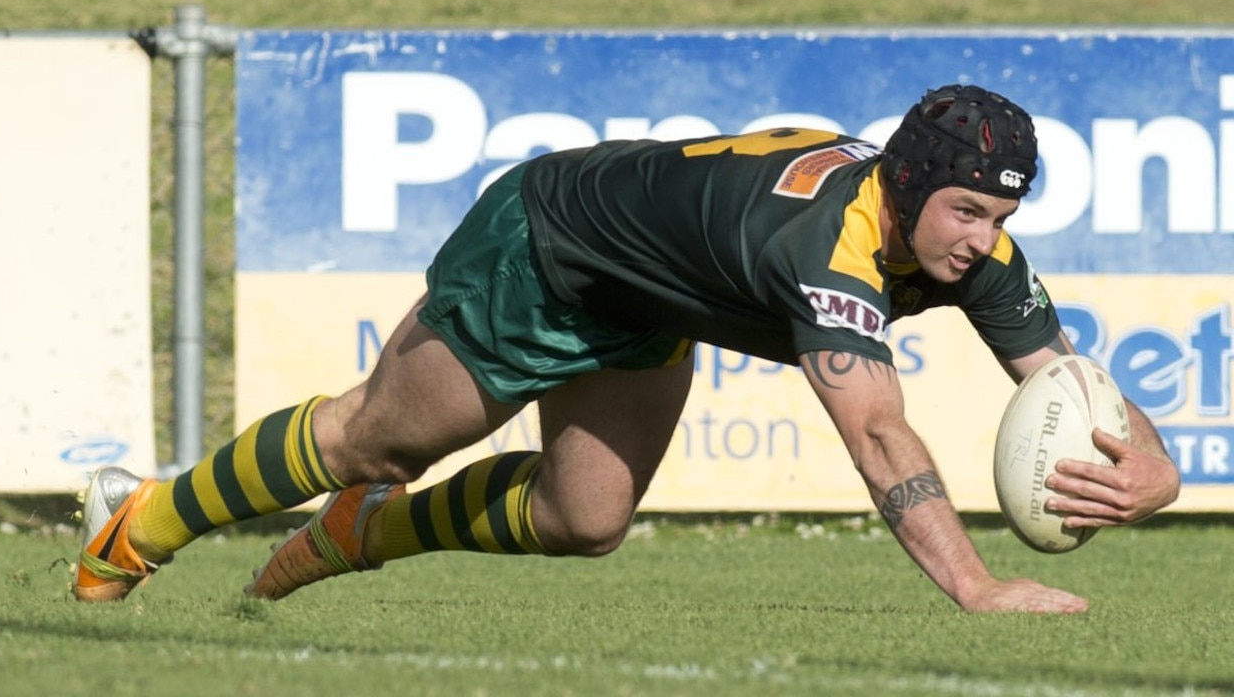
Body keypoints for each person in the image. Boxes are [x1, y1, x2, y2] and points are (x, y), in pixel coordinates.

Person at [73, 84, 1180, 613]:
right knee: (377, 436)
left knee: (583, 521)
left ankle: (372, 533)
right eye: (964, 214)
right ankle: (139, 523)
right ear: (901, 185)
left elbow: (1061, 378)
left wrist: (1157, 471)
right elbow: (880, 433)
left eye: (997, 216)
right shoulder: (821, 242)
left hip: (654, 296)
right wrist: (975, 586)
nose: (983, 241)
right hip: (554, 241)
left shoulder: (976, 252)